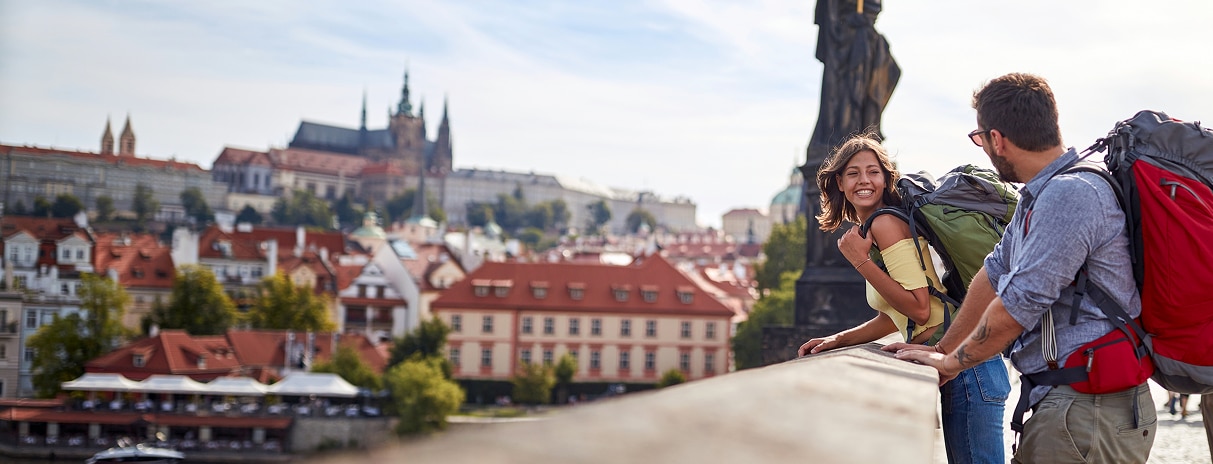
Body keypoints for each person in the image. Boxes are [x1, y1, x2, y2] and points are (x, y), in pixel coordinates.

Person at [889, 73, 1156, 463]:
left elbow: (1018, 305)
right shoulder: (1041, 194)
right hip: (1070, 405)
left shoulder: (1069, 194)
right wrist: (943, 353)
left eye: (980, 139)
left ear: (997, 139)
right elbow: (992, 274)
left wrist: (951, 362)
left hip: (1089, 409)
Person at [796, 132, 1009, 464]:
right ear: (839, 181)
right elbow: (896, 314)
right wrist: (839, 338)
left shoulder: (885, 224)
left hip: (968, 369)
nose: (863, 180)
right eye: (853, 173)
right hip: (966, 364)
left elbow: (920, 308)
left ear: (885, 179)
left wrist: (861, 262)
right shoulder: (880, 226)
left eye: (873, 172)